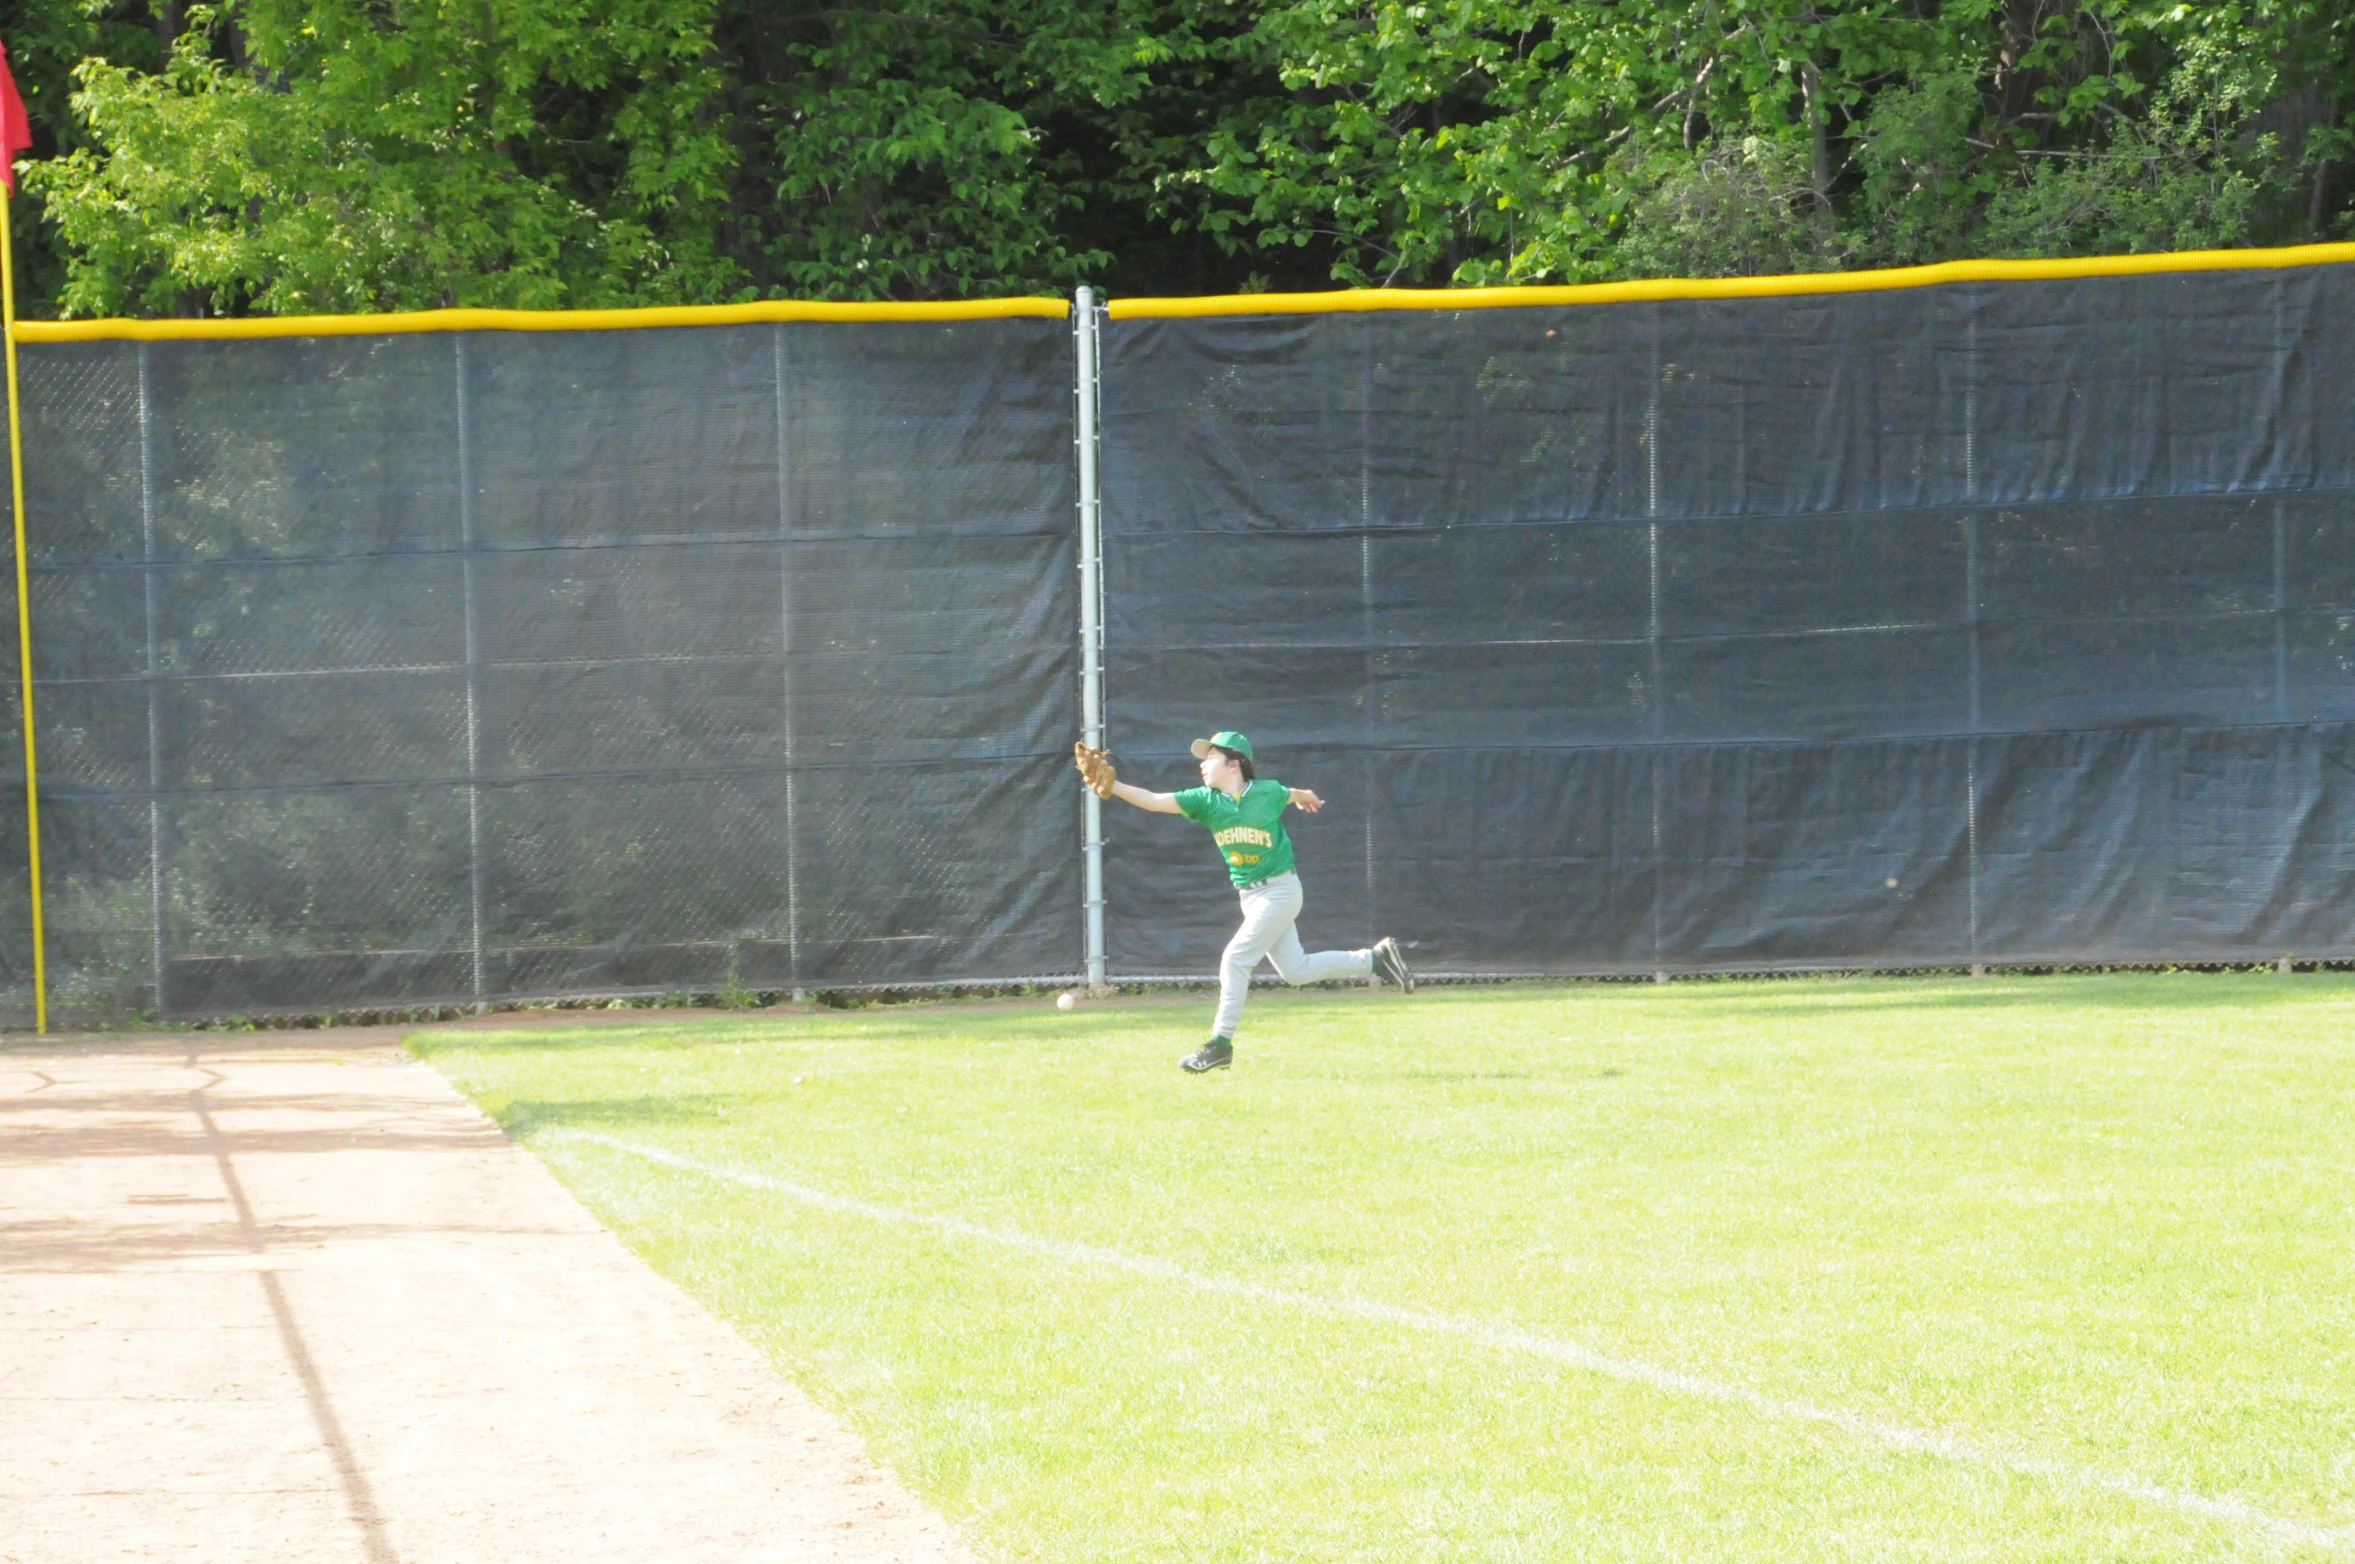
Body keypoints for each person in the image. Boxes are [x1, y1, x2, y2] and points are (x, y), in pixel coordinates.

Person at [1082, 730, 1412, 1072]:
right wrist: (1114, 785)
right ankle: (1376, 960)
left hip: (1281, 891)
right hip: (1251, 897)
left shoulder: (1266, 792)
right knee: (1296, 971)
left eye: (1210, 757)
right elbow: (1152, 799)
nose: (1203, 764)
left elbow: (1288, 793)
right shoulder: (1205, 800)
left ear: (1234, 763)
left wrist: (1304, 795)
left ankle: (1219, 1044)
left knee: (1235, 959)